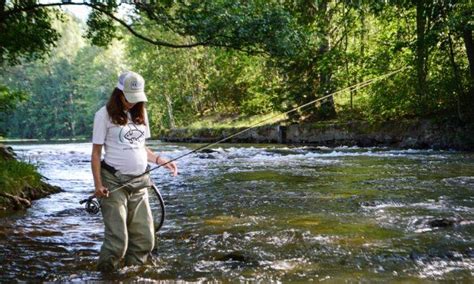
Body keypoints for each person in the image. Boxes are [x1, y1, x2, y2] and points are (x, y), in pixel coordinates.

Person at [91, 71, 178, 271]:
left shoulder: (141, 113)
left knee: (144, 239)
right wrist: (98, 185)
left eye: (136, 98)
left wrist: (159, 160)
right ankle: (106, 276)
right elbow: (96, 154)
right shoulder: (103, 115)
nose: (132, 102)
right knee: (117, 242)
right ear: (119, 93)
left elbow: (140, 147)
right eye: (128, 98)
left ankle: (133, 276)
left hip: (140, 182)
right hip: (113, 183)